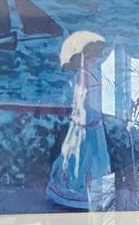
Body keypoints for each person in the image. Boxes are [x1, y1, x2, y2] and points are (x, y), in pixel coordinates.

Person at [45, 34, 115, 211]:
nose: (96, 60)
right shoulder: (82, 75)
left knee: (97, 158)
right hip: (87, 124)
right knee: (83, 159)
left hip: (95, 122)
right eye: (94, 57)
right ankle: (79, 196)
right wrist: (87, 119)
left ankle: (96, 195)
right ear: (88, 58)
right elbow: (80, 101)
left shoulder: (92, 72)